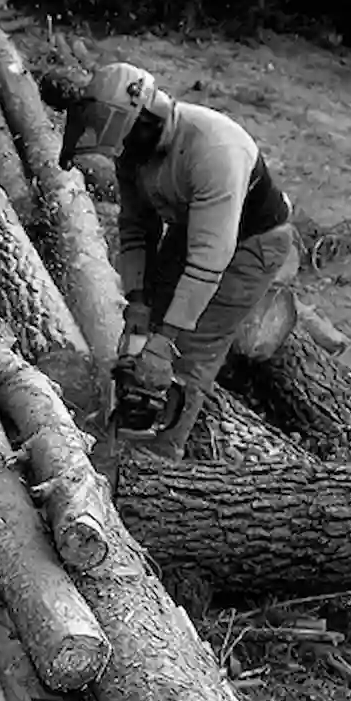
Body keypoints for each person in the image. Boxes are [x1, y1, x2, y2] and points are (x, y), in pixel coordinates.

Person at [59, 61, 298, 453]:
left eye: (125, 143)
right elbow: (137, 229)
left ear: (147, 119)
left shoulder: (213, 150)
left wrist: (164, 341)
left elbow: (209, 262)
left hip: (251, 243)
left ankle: (159, 462)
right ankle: (124, 423)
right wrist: (137, 302)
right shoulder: (133, 150)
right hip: (193, 226)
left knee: (189, 346)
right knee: (149, 323)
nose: (122, 157)